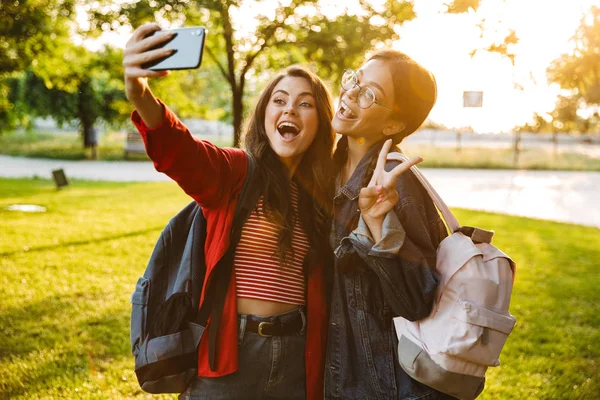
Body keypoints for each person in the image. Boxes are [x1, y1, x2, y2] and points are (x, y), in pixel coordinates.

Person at [123, 23, 336, 400]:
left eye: (305, 103)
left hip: (295, 361)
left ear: (319, 121)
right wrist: (139, 92)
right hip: (231, 356)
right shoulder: (236, 172)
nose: (291, 109)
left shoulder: (321, 197)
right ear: (265, 114)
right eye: (280, 100)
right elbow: (182, 151)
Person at [325, 49, 457, 399]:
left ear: (393, 125)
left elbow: (416, 301)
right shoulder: (328, 170)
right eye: (355, 80)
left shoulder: (398, 186)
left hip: (391, 386)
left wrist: (378, 223)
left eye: (370, 94)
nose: (351, 92)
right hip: (344, 377)